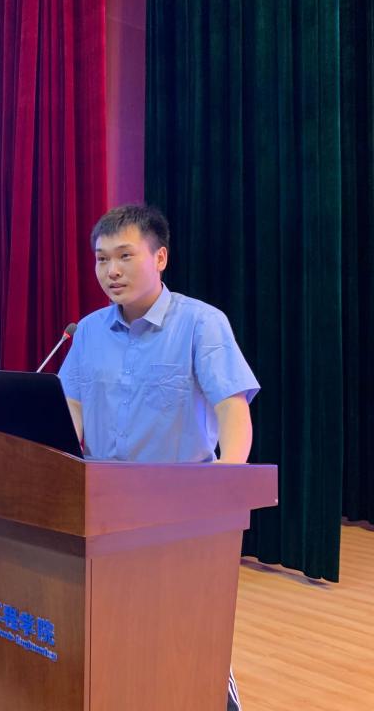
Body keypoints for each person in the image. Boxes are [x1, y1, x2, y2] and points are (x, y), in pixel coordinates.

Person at [58, 204, 258, 711]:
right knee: (118, 629)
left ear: (160, 257)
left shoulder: (201, 324)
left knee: (191, 632)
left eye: (125, 256)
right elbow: (72, 407)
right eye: (102, 259)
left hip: (179, 513)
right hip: (102, 509)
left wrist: (227, 485)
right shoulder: (89, 331)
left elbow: (233, 411)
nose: (112, 271)